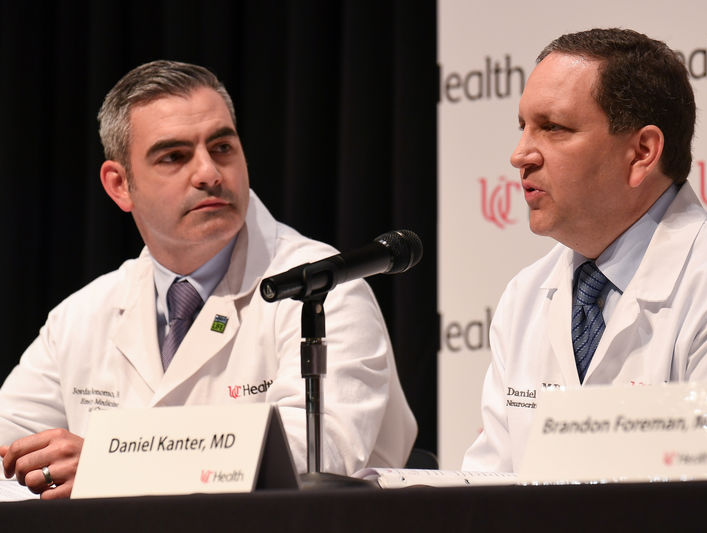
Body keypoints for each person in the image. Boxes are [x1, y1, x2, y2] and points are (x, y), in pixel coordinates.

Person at [0, 60, 417, 498]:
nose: (209, 173)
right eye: (174, 157)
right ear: (119, 185)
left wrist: (108, 463)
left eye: (221, 148)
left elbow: (317, 454)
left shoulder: (325, 287)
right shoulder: (82, 316)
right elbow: (8, 445)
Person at [462, 28, 707, 472]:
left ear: (642, 152)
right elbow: (489, 484)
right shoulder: (524, 296)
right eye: (523, 127)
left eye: (552, 128)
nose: (521, 154)